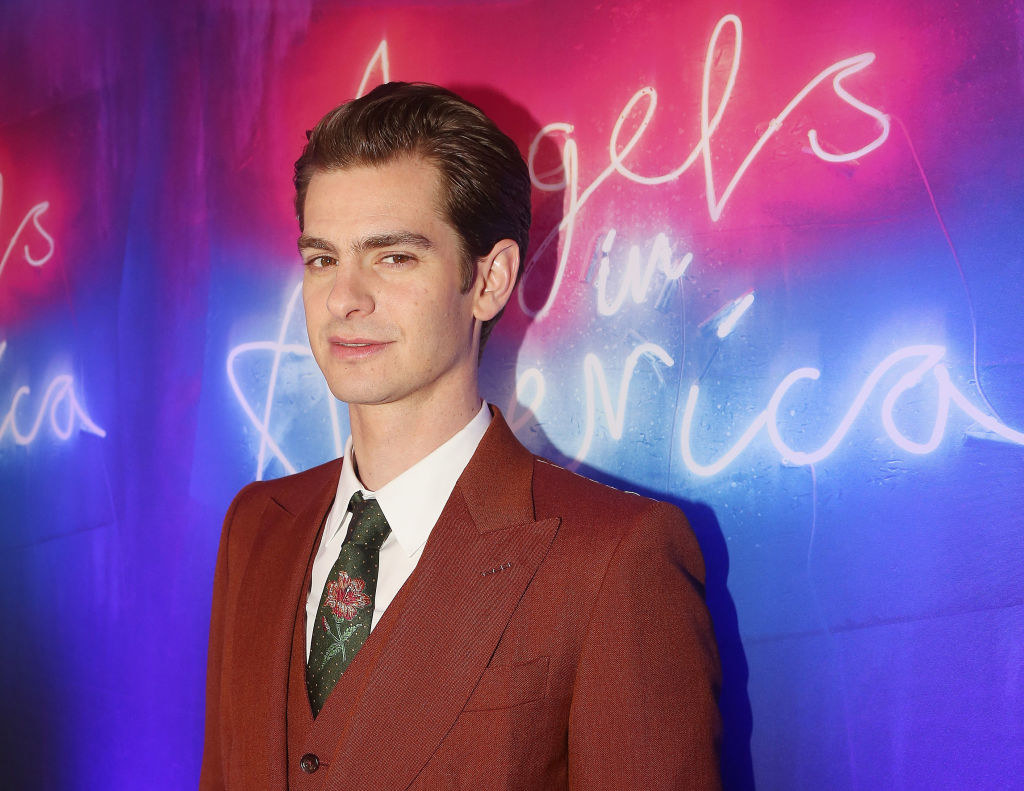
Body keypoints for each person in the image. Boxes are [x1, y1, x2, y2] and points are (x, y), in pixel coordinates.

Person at [200, 81, 721, 790]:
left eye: (393, 256)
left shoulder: (613, 558)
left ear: (489, 279)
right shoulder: (255, 528)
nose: (344, 297)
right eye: (322, 258)